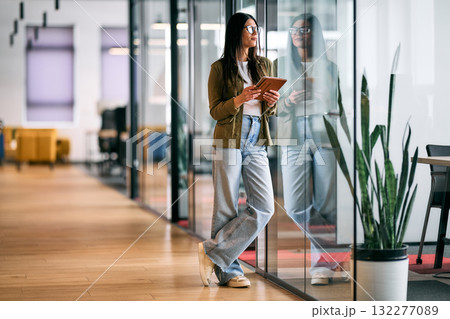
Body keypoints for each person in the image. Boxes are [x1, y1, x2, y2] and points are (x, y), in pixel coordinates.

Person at [198, 12, 280, 288]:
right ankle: (229, 271)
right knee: (226, 207)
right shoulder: (219, 68)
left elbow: (271, 110)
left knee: (265, 206)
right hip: (229, 139)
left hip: (256, 138)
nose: (255, 33)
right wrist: (240, 99)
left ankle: (213, 250)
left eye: (257, 28)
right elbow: (215, 111)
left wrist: (272, 100)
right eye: (249, 28)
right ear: (237, 32)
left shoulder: (264, 64)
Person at [275, 13, 347, 285]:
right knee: (295, 205)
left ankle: (322, 266)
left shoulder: (330, 68)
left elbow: (342, 106)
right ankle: (335, 251)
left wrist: (327, 103)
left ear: (314, 33)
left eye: (304, 29)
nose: (297, 34)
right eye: (294, 29)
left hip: (325, 133)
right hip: (293, 135)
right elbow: (269, 107)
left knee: (327, 204)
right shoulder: (279, 65)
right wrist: (289, 100)